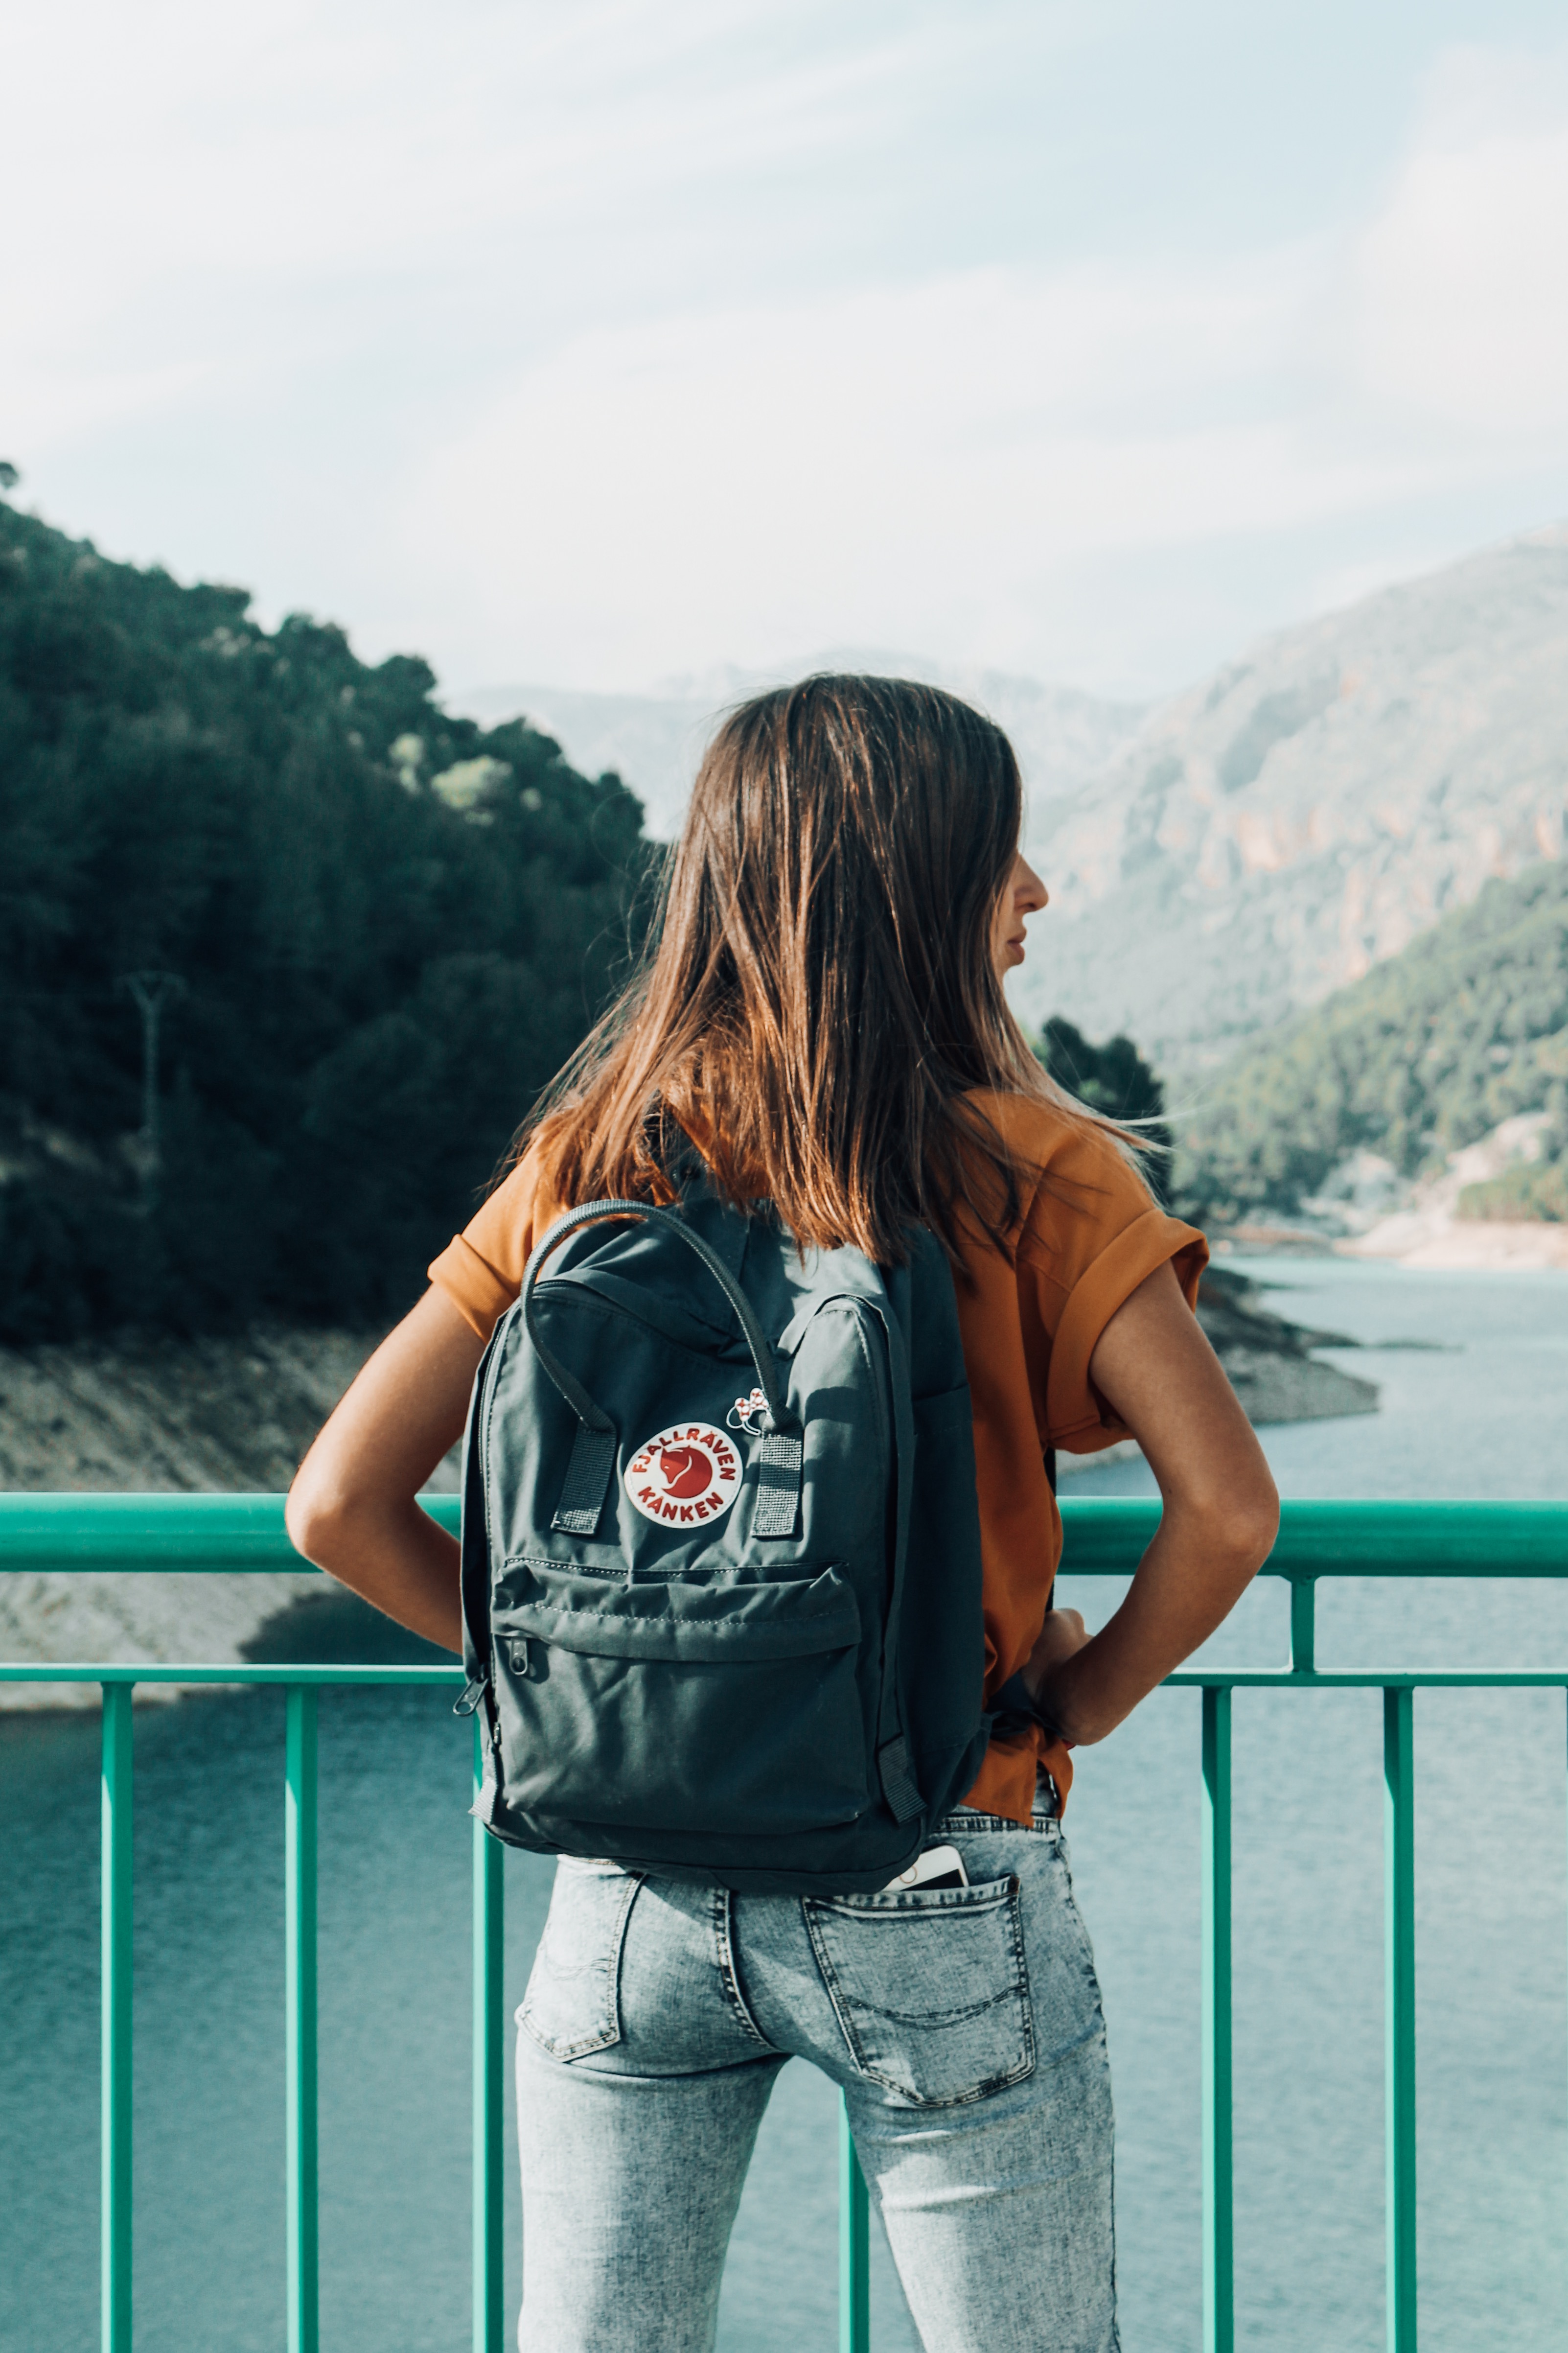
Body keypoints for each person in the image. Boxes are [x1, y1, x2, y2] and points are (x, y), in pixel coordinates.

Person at [287, 675, 1279, 2353]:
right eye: (1000, 852)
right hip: (936, 1849)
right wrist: (1077, 1698)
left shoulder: (590, 1160)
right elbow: (1228, 1511)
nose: (1035, 891)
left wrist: (560, 1685)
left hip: (627, 1872)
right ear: (909, 885)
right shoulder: (1036, 1172)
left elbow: (336, 1505)